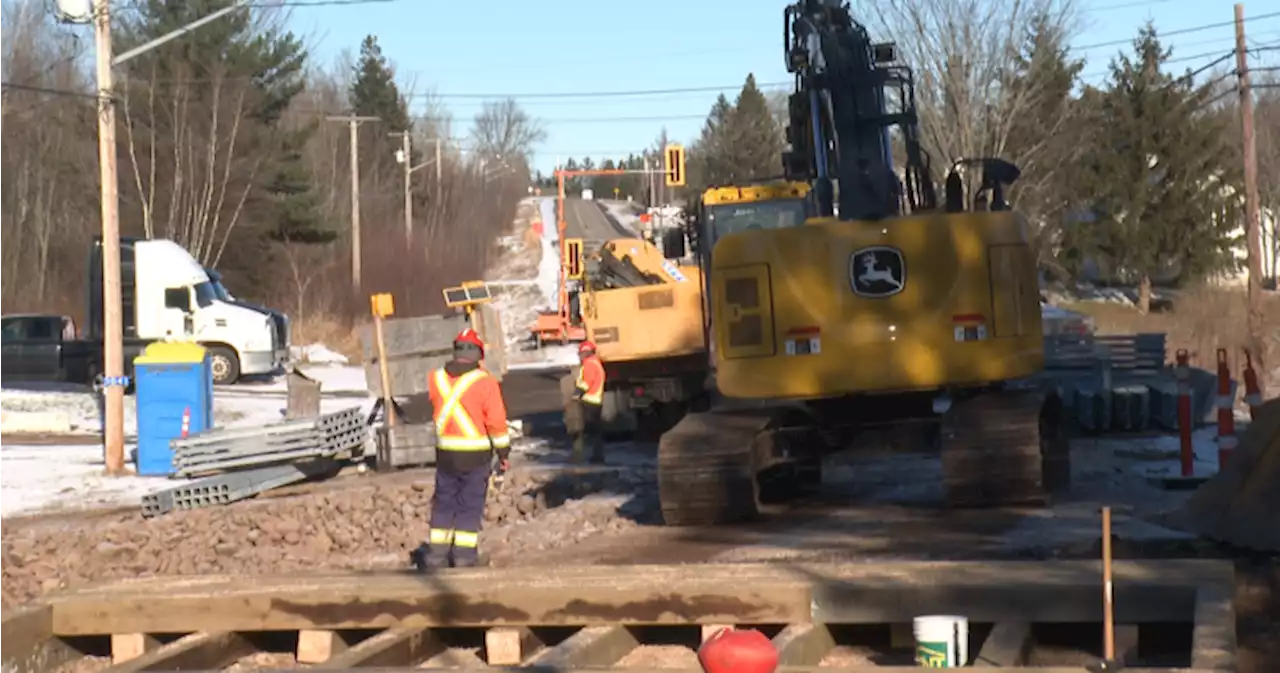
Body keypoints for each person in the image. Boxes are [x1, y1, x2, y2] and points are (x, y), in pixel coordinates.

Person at [410, 328, 510, 570]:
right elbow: (496, 422)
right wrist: (503, 453)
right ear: (478, 354)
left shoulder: (436, 378)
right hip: (475, 457)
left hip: (445, 456)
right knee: (470, 505)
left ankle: (436, 556)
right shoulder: (485, 382)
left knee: (444, 503)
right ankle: (464, 557)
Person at [571, 340, 606, 464]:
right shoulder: (595, 363)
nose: (579, 356)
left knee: (590, 431)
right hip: (595, 400)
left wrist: (576, 393)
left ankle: (593, 457)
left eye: (580, 353)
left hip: (590, 401)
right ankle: (597, 456)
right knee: (595, 431)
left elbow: (586, 383)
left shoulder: (589, 364)